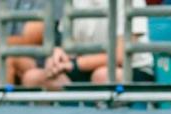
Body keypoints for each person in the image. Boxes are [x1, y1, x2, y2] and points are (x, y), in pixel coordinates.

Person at [21, 0, 153, 89]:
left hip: (132, 70)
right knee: (33, 78)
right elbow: (66, 44)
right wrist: (57, 57)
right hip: (81, 68)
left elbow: (120, 56)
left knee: (103, 75)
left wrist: (74, 64)